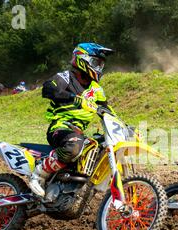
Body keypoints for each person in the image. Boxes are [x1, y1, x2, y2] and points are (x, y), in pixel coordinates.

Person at [29, 42, 114, 197]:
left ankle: (77, 191)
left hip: (78, 132)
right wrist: (74, 98)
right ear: (82, 59)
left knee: (98, 148)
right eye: (96, 63)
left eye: (101, 65)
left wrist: (124, 127)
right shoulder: (66, 77)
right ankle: (39, 174)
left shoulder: (96, 90)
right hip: (60, 128)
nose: (99, 68)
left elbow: (107, 111)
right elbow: (49, 89)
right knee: (74, 146)